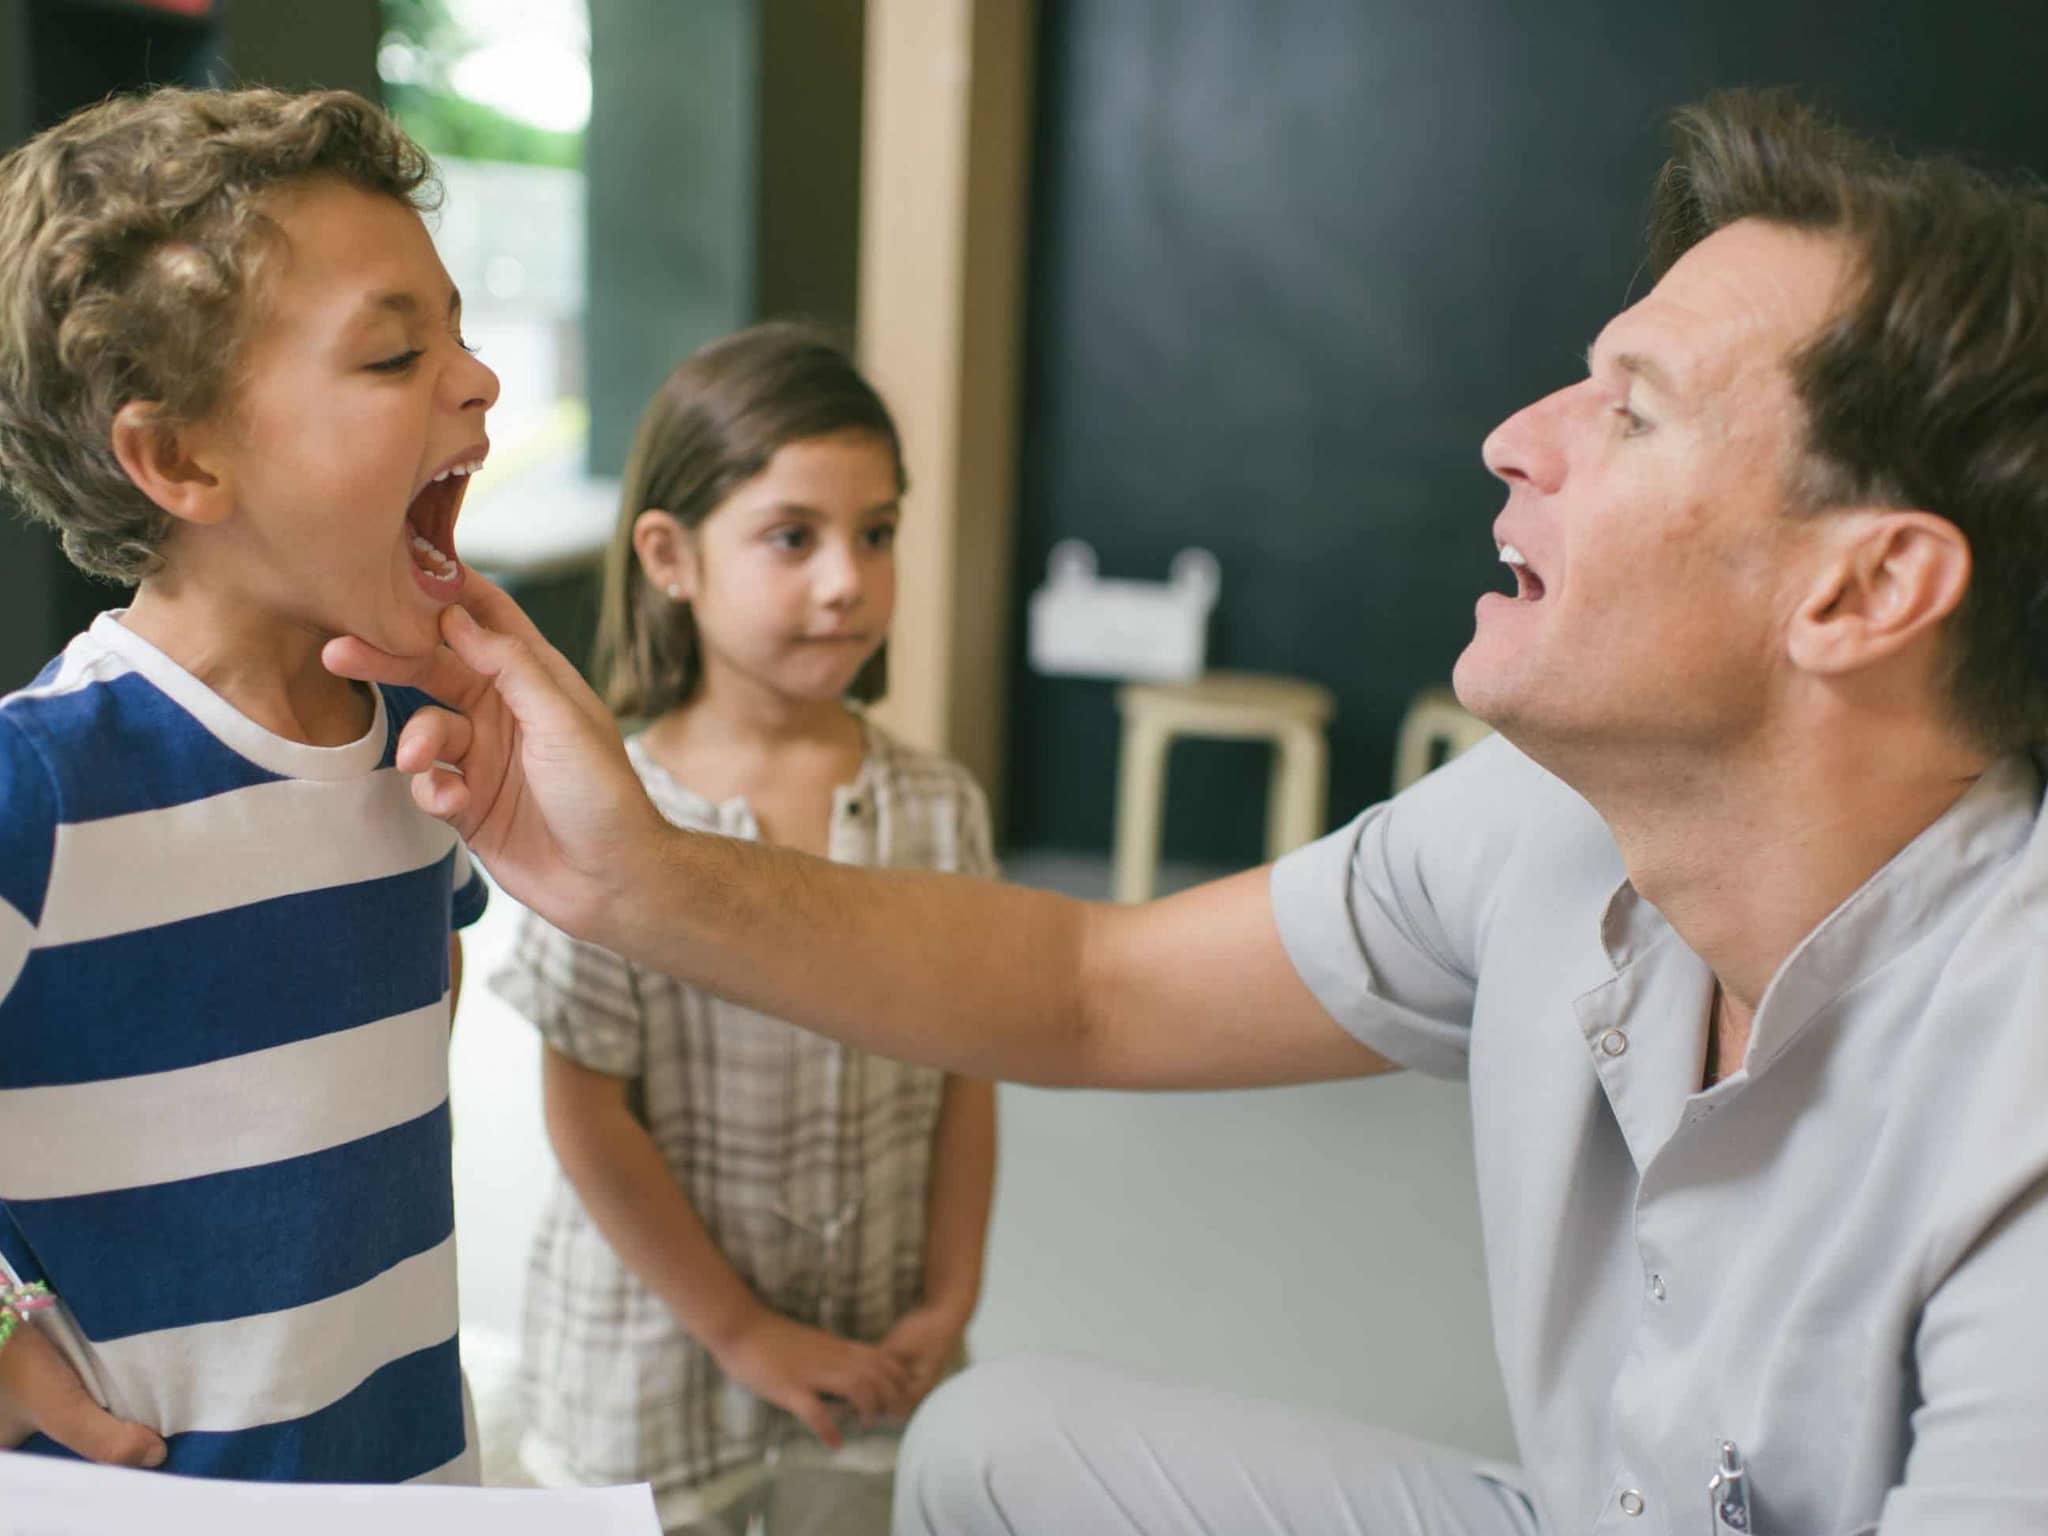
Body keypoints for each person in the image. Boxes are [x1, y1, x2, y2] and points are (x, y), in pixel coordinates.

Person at [325, 88, 2048, 1531]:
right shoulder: (1534, 824)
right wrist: (633, 875)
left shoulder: (2012, 1112)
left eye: (1632, 407)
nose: (1517, 439)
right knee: (988, 1450)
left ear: (1862, 588)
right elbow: (1095, 986)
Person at [0, 87, 499, 1482]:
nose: (479, 379)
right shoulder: (37, 784)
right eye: (398, 355)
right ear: (177, 458)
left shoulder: (417, 737)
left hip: (407, 1476)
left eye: (458, 330)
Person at [493, 324, 997, 1534]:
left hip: (876, 1357)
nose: (847, 580)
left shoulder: (937, 808)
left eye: (875, 533)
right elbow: (586, 1113)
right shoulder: (607, 812)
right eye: (792, 537)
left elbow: (966, 1078)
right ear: (669, 557)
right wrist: (743, 1333)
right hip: (656, 1375)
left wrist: (949, 1298)